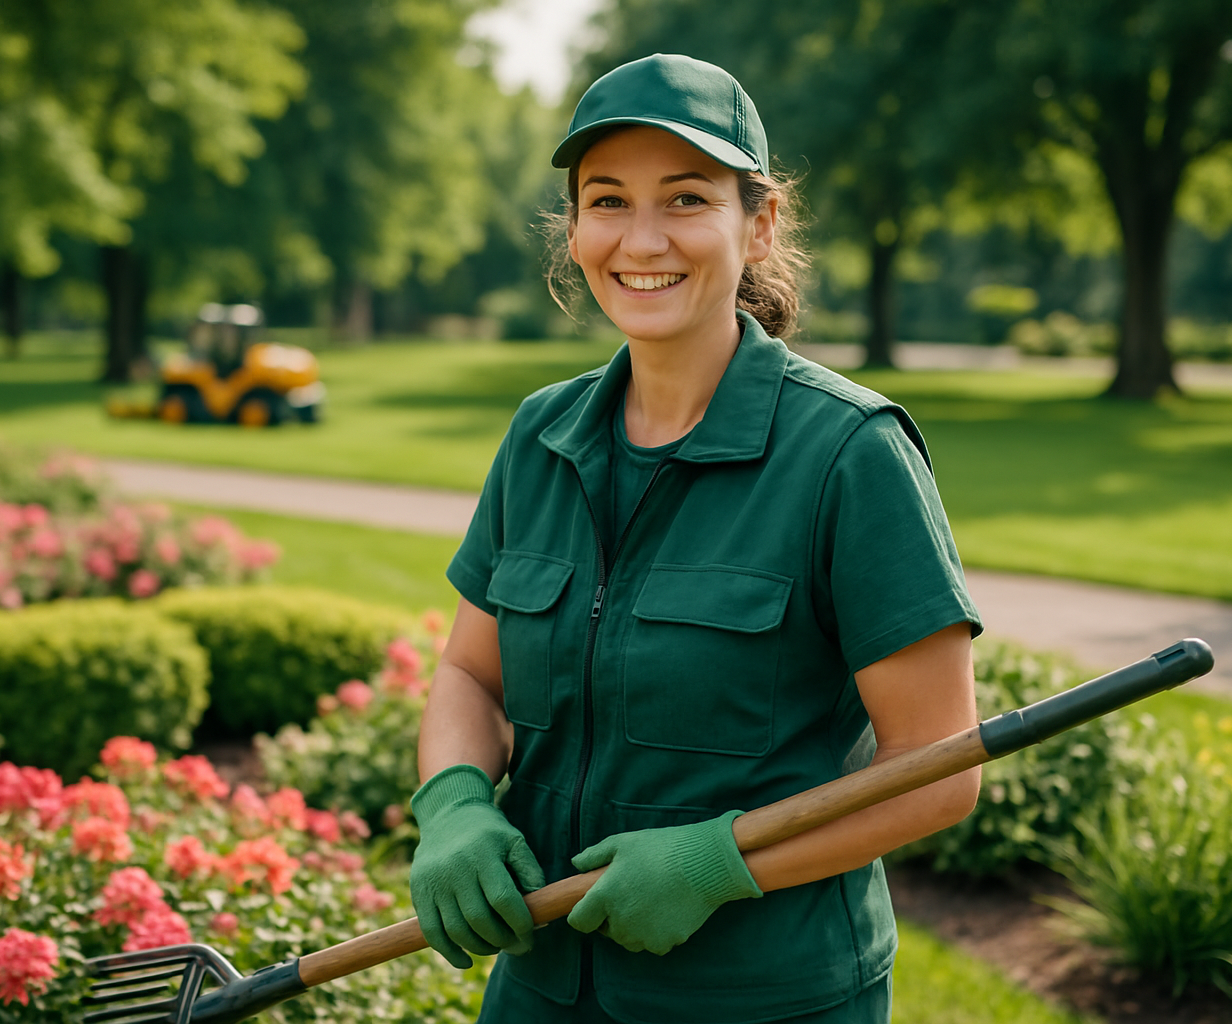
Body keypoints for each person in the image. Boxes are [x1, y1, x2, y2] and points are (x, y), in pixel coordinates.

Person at [410, 53, 983, 1024]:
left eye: (684, 199)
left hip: (769, 997)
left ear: (756, 225)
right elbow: (472, 673)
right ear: (575, 227)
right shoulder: (539, 437)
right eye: (606, 201)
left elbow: (940, 769)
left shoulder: (850, 454)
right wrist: (454, 802)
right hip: (543, 989)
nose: (641, 239)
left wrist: (724, 865)